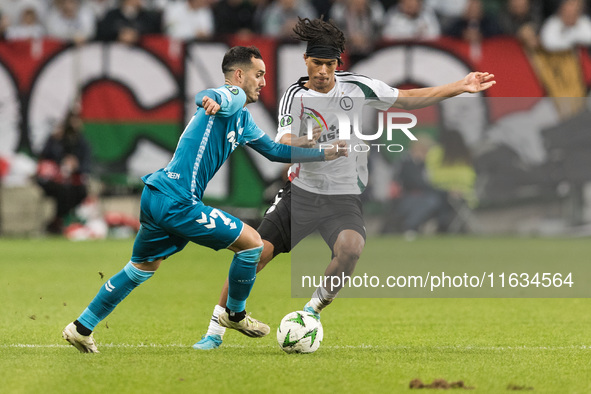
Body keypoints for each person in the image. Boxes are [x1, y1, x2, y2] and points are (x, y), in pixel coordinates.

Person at [193, 17, 496, 350]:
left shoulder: (359, 86)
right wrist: (313, 143)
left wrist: (460, 85)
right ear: (306, 61)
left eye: (330, 64)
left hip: (343, 197)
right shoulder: (295, 95)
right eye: (317, 63)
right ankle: (215, 330)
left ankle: (312, 310)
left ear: (339, 64)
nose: (323, 71)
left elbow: (407, 99)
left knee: (351, 249)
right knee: (256, 254)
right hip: (302, 194)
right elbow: (284, 142)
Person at [61, 46, 346, 353]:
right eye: (258, 74)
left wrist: (317, 150)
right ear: (239, 75)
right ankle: (233, 314)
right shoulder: (231, 97)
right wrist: (208, 99)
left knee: (140, 269)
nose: (263, 82)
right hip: (178, 200)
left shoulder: (243, 119)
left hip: (156, 195)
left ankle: (81, 327)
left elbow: (275, 151)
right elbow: (214, 95)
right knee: (252, 244)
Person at [37, 110, 91, 234]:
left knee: (79, 191)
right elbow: (45, 159)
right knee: (63, 191)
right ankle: (59, 221)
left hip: (73, 181)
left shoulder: (81, 142)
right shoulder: (56, 139)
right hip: (53, 181)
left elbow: (86, 165)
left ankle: (62, 220)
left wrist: (76, 165)